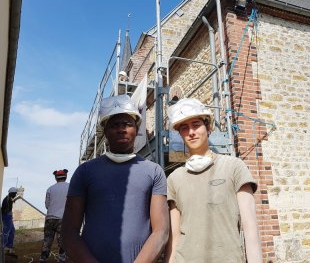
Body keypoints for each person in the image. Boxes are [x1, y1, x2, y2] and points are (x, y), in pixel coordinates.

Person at [62, 94, 169, 263]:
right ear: (105, 131)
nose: (121, 129)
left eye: (127, 124)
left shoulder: (154, 172)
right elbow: (69, 232)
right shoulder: (85, 172)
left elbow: (161, 231)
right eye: (114, 125)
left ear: (137, 128)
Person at [165, 98, 263, 263]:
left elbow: (250, 229)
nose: (191, 132)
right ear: (180, 134)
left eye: (196, 125)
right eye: (184, 128)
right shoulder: (174, 178)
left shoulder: (234, 167)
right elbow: (174, 238)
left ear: (208, 127)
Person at [40, 169, 69, 262]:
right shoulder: (70, 187)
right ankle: (61, 258)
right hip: (62, 219)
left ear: (56, 178)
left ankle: (43, 258)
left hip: (50, 219)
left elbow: (47, 205)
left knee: (47, 240)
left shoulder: (50, 189)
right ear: (65, 176)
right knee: (62, 240)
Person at [1, 187, 18, 254]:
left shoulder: (9, 198)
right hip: (6, 217)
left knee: (12, 231)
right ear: (12, 193)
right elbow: (4, 210)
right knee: (6, 232)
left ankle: (9, 245)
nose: (15, 195)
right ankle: (3, 246)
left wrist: (12, 201)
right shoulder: (7, 200)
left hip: (9, 217)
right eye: (15, 193)